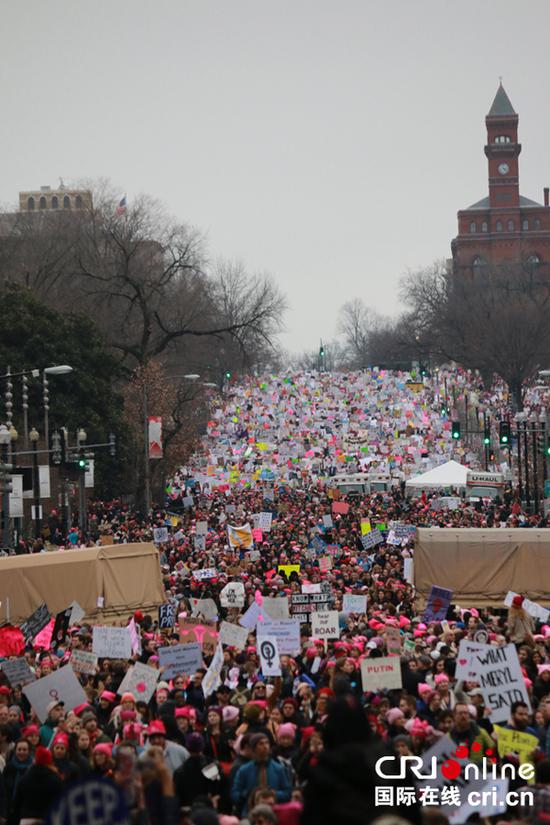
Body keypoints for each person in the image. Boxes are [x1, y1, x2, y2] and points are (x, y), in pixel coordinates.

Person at [231, 732, 291, 817]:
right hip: (251, 814)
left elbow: (288, 793)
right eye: (261, 744)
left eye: (267, 743)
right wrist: (249, 793)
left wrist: (274, 794)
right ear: (254, 748)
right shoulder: (244, 770)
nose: (265, 746)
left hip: (273, 814)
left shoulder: (278, 769)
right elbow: (234, 794)